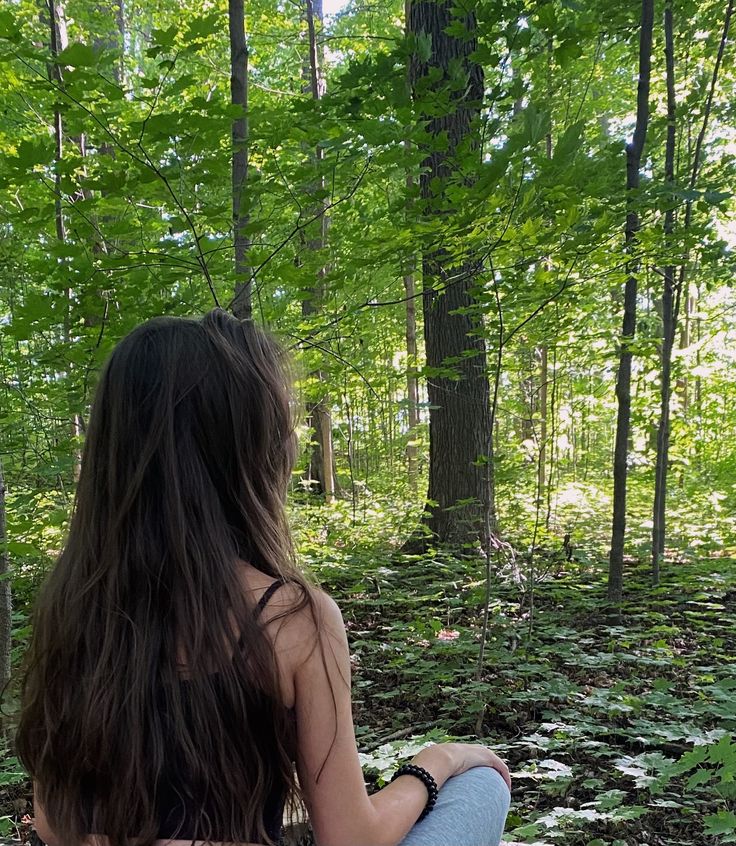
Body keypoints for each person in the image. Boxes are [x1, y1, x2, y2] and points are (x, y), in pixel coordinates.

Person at [16, 309, 511, 846]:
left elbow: (50, 821)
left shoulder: (70, 609)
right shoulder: (292, 615)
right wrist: (435, 763)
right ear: (249, 448)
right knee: (482, 783)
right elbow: (351, 838)